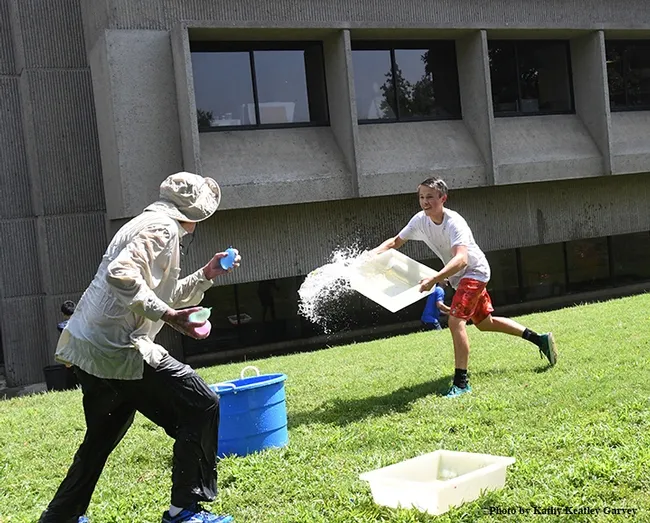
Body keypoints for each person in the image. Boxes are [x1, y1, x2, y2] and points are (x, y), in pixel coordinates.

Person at [39, 172, 239, 523]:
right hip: (119, 347)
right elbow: (121, 275)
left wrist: (206, 274)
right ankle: (184, 512)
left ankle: (60, 517)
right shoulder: (162, 230)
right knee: (201, 403)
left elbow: (159, 292)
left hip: (89, 347)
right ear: (194, 214)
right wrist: (170, 316)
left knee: (101, 437)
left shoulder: (146, 223)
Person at [372, 177, 557, 398]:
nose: (424, 202)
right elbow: (394, 242)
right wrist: (371, 255)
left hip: (474, 273)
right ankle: (539, 339)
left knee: (455, 321)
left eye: (430, 197)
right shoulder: (420, 221)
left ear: (443, 198)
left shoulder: (454, 222)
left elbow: (461, 259)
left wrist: (434, 279)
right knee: (485, 323)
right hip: (459, 278)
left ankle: (461, 383)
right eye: (421, 197)